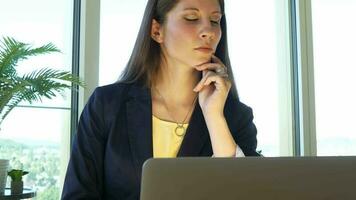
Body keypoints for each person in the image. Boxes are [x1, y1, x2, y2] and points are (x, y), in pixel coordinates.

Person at [61, 0, 260, 199]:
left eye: (215, 21)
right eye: (191, 18)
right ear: (157, 30)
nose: (208, 30)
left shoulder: (235, 118)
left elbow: (243, 192)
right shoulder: (106, 105)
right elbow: (77, 194)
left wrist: (214, 117)